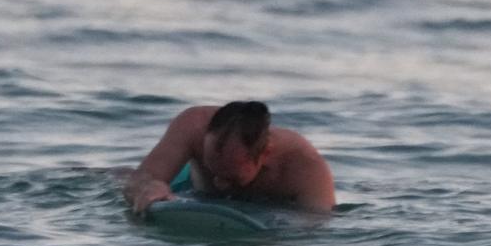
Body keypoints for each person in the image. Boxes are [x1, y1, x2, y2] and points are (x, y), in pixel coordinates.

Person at [120, 101, 335, 215]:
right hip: (188, 186)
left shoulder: (307, 170)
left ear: (265, 154)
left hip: (268, 207)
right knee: (119, 176)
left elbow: (314, 230)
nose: (219, 183)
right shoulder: (192, 126)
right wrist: (148, 188)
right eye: (212, 170)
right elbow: (142, 178)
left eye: (231, 177)